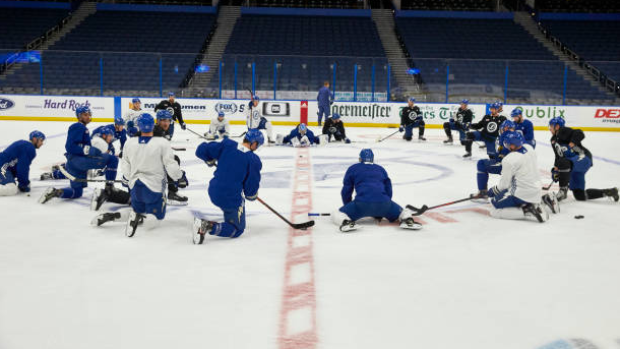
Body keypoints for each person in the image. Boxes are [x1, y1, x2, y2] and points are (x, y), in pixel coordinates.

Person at [191, 129, 264, 244]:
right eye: (258, 145)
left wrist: (209, 159)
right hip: (230, 195)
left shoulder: (228, 144)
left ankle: (230, 215)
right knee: (237, 229)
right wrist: (252, 195)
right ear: (254, 143)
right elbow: (250, 189)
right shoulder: (253, 160)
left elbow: (201, 149)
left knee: (236, 196)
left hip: (214, 190)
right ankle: (206, 226)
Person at [39, 106, 119, 204]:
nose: (88, 117)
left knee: (76, 192)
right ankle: (109, 189)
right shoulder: (78, 126)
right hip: (78, 161)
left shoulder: (81, 128)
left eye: (89, 114)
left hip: (73, 164)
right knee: (113, 159)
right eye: (85, 115)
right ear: (79, 116)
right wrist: (89, 150)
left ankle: (55, 192)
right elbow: (70, 146)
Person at [331, 149, 422, 232]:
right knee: (403, 211)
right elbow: (388, 189)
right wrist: (385, 207)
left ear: (360, 159)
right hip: (385, 204)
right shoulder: (381, 169)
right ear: (373, 159)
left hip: (361, 205)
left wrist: (348, 207)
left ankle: (347, 222)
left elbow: (346, 190)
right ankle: (408, 220)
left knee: (337, 213)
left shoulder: (353, 168)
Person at [548, 117, 618, 202]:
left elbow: (579, 133)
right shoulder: (553, 140)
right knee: (579, 195)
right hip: (573, 165)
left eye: (551, 126)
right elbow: (558, 156)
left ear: (557, 126)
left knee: (564, 162)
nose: (550, 128)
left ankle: (563, 191)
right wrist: (556, 169)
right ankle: (609, 191)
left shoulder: (563, 131)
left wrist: (573, 142)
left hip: (583, 157)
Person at [487, 132, 548, 223]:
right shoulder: (529, 148)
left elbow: (504, 186)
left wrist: (492, 191)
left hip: (521, 193)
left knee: (494, 209)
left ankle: (527, 210)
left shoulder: (509, 159)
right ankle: (534, 203)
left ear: (512, 146)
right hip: (537, 190)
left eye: (507, 144)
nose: (506, 146)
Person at [474, 121, 515, 199]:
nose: (501, 130)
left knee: (481, 163)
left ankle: (482, 192)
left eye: (502, 128)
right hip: (517, 167)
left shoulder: (506, 137)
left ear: (506, 128)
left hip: (507, 165)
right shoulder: (515, 136)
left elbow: (504, 155)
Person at [0, 131, 45, 196]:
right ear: (35, 139)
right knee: (11, 189)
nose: (42, 143)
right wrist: (24, 184)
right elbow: (22, 168)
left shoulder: (24, 144)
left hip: (4, 167)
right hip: (2, 168)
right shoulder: (29, 148)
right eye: (41, 140)